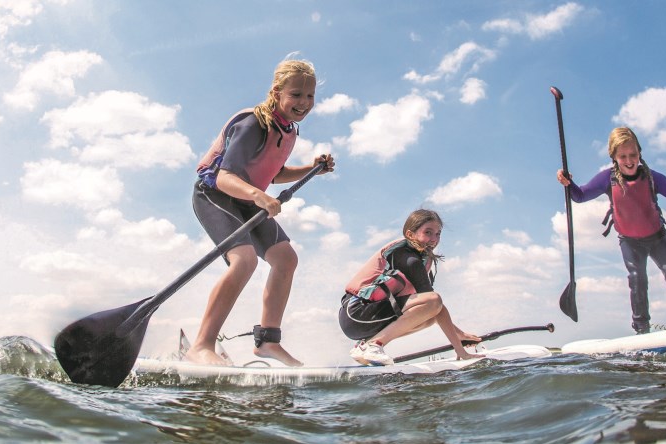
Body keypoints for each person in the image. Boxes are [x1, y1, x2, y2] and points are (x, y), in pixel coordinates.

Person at [185, 58, 335, 366]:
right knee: (244, 261)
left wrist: (311, 169)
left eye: (309, 96)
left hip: (248, 199)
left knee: (286, 259)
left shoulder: (287, 130)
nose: (304, 102)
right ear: (277, 92)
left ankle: (268, 342)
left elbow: (273, 173)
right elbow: (225, 177)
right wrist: (259, 195)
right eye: (296, 94)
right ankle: (201, 346)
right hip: (216, 195)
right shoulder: (253, 123)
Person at [556, 126, 666, 334]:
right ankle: (641, 329)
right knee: (637, 277)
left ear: (639, 153)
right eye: (623, 156)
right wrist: (568, 183)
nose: (629, 160)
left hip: (658, 237)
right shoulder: (607, 179)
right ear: (614, 157)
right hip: (630, 242)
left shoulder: (651, 177)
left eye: (633, 154)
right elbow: (580, 196)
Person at [339, 209, 482, 365]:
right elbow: (434, 303)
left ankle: (365, 345)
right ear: (410, 234)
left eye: (438, 234)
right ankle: (375, 345)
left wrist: (459, 340)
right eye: (428, 232)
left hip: (362, 319)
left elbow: (436, 310)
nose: (434, 239)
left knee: (430, 317)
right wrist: (459, 345)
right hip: (356, 313)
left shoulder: (419, 258)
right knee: (433, 301)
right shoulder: (408, 259)